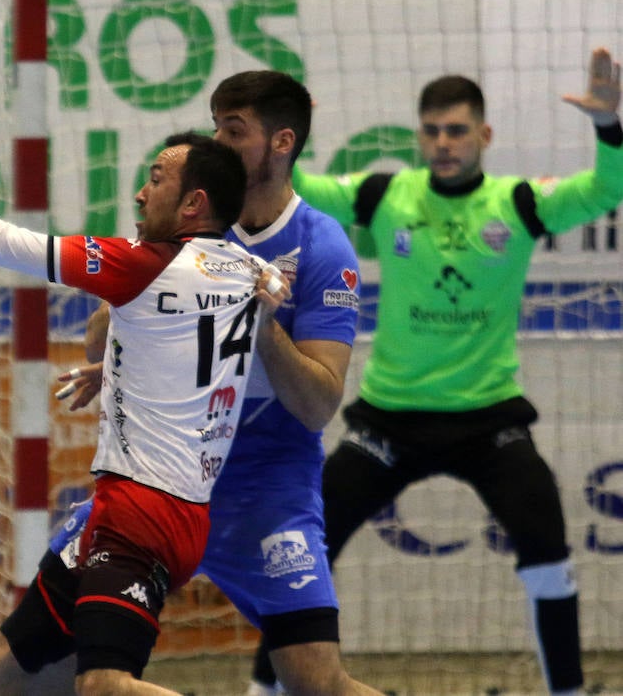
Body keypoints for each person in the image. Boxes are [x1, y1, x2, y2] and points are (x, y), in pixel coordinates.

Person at [0, 128, 289, 696]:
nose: (140, 194)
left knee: (102, 686)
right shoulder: (249, 270)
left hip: (142, 515)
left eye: (156, 180)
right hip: (141, 509)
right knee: (7, 670)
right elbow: (192, 342)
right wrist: (115, 368)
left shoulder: (143, 265)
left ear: (194, 204)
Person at [246, 46, 623, 696]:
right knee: (300, 555)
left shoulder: (521, 203)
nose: (443, 143)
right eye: (432, 131)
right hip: (389, 419)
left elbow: (607, 189)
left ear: (484, 135)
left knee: (549, 555)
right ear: (419, 136)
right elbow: (299, 192)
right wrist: (290, 139)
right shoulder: (387, 195)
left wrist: (609, 127)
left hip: (490, 422)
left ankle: (567, 692)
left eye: (456, 131)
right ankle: (264, 690)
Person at [0, 71, 382, 696]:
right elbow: (98, 337)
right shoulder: (193, 222)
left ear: (282, 143)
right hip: (162, 480)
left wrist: (257, 322)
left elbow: (316, 406)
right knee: (9, 680)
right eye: (214, 126)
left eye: (234, 131)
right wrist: (133, 335)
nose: (218, 144)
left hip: (264, 488)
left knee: (317, 683)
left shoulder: (322, 247)